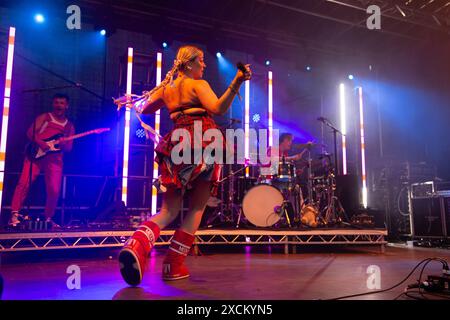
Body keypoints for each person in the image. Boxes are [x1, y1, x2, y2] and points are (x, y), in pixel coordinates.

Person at [117, 45, 252, 286]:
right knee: (197, 208)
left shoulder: (167, 89)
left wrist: (141, 97)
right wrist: (238, 81)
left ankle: (136, 244)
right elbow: (218, 108)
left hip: (177, 141)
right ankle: (173, 265)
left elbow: (145, 108)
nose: (205, 64)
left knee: (169, 211)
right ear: (189, 64)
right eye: (201, 60)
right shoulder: (198, 84)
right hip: (202, 138)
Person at [9, 93, 75, 228]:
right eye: (56, 102)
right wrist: (41, 143)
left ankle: (48, 217)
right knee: (23, 183)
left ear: (66, 106)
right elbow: (30, 133)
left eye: (62, 103)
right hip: (36, 154)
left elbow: (68, 148)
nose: (59, 105)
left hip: (55, 159)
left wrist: (63, 143)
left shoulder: (69, 126)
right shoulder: (45, 117)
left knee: (54, 190)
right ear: (53, 104)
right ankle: (14, 214)